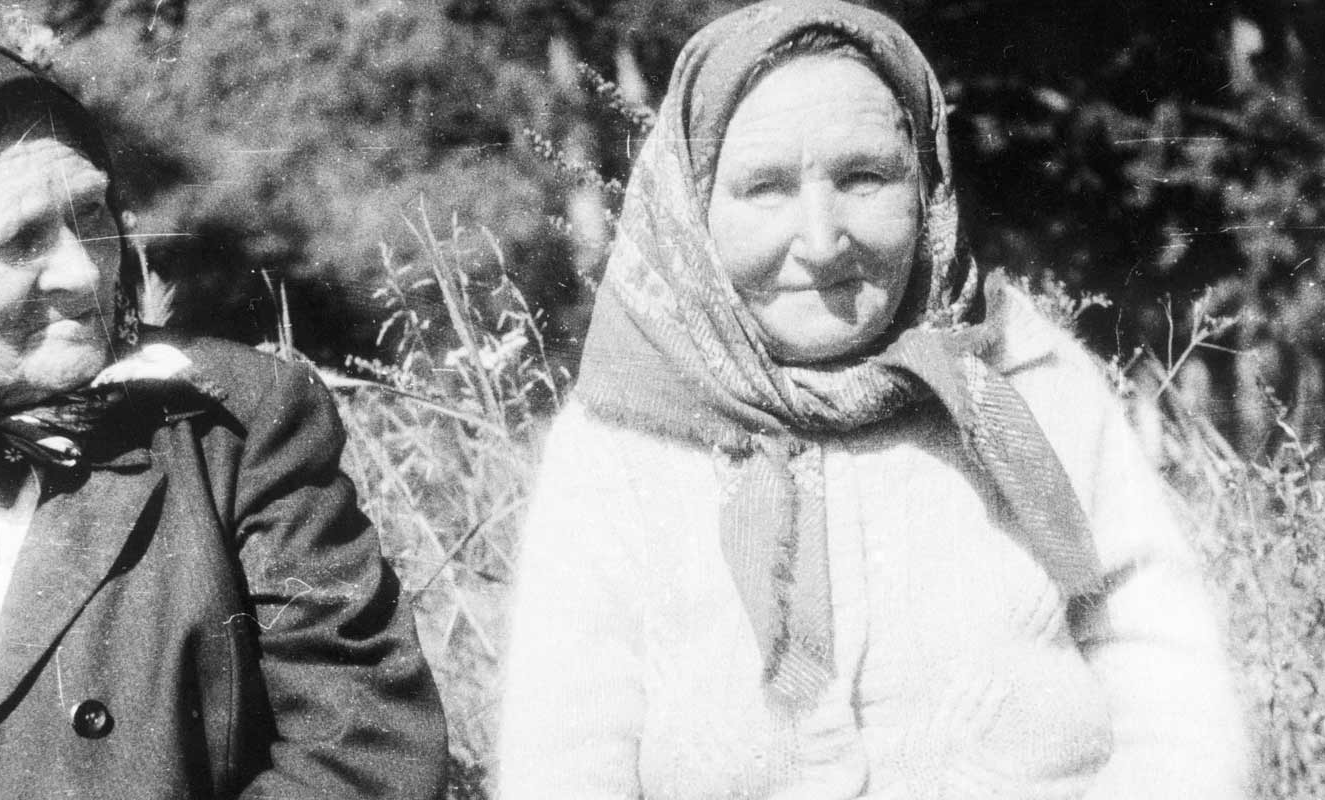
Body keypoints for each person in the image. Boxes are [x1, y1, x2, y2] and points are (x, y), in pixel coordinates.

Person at [496, 2, 1248, 798]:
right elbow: (564, 758)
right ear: (691, 208)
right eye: (764, 188)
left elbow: (1171, 688)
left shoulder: (1028, 384)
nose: (822, 241)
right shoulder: (619, 440)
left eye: (864, 177)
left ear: (927, 186)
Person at [0, 41, 446, 799]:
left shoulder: (229, 427)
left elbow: (365, 749)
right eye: (20, 240)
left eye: (90, 213)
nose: (84, 271)